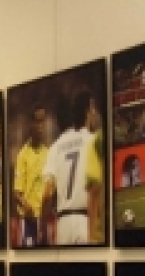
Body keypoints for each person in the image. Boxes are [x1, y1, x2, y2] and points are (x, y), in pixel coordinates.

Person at [42, 91, 99, 244]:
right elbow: (96, 188)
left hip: (63, 224)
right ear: (87, 112)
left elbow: (47, 192)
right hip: (86, 220)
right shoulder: (93, 141)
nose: (95, 113)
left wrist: (42, 225)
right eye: (93, 108)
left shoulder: (55, 147)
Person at [12, 106, 48, 247]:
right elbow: (17, 193)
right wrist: (25, 204)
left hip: (43, 219)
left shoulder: (48, 152)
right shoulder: (23, 155)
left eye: (43, 122)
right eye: (38, 121)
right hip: (29, 221)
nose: (41, 126)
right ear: (31, 124)